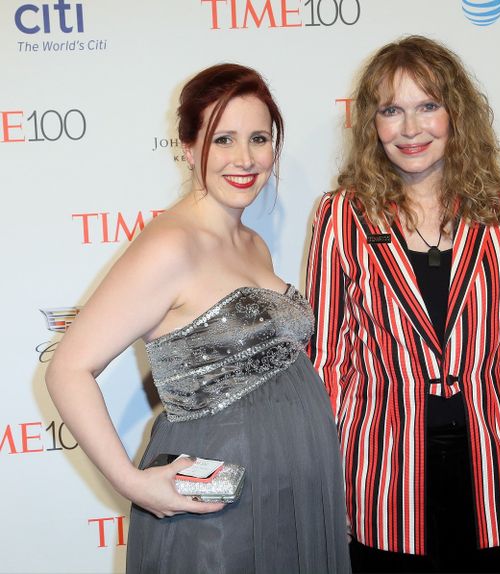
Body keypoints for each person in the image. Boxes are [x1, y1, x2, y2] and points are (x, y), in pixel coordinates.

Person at [46, 63, 351, 574]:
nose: (244, 158)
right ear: (189, 148)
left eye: (258, 139)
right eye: (222, 139)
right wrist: (131, 482)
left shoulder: (253, 244)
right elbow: (67, 369)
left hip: (290, 490)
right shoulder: (170, 246)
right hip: (220, 508)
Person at [306, 36, 500, 573]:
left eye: (428, 106)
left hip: (497, 475)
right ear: (372, 124)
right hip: (381, 478)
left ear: (456, 113)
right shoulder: (342, 216)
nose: (411, 129)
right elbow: (330, 362)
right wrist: (323, 483)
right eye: (392, 111)